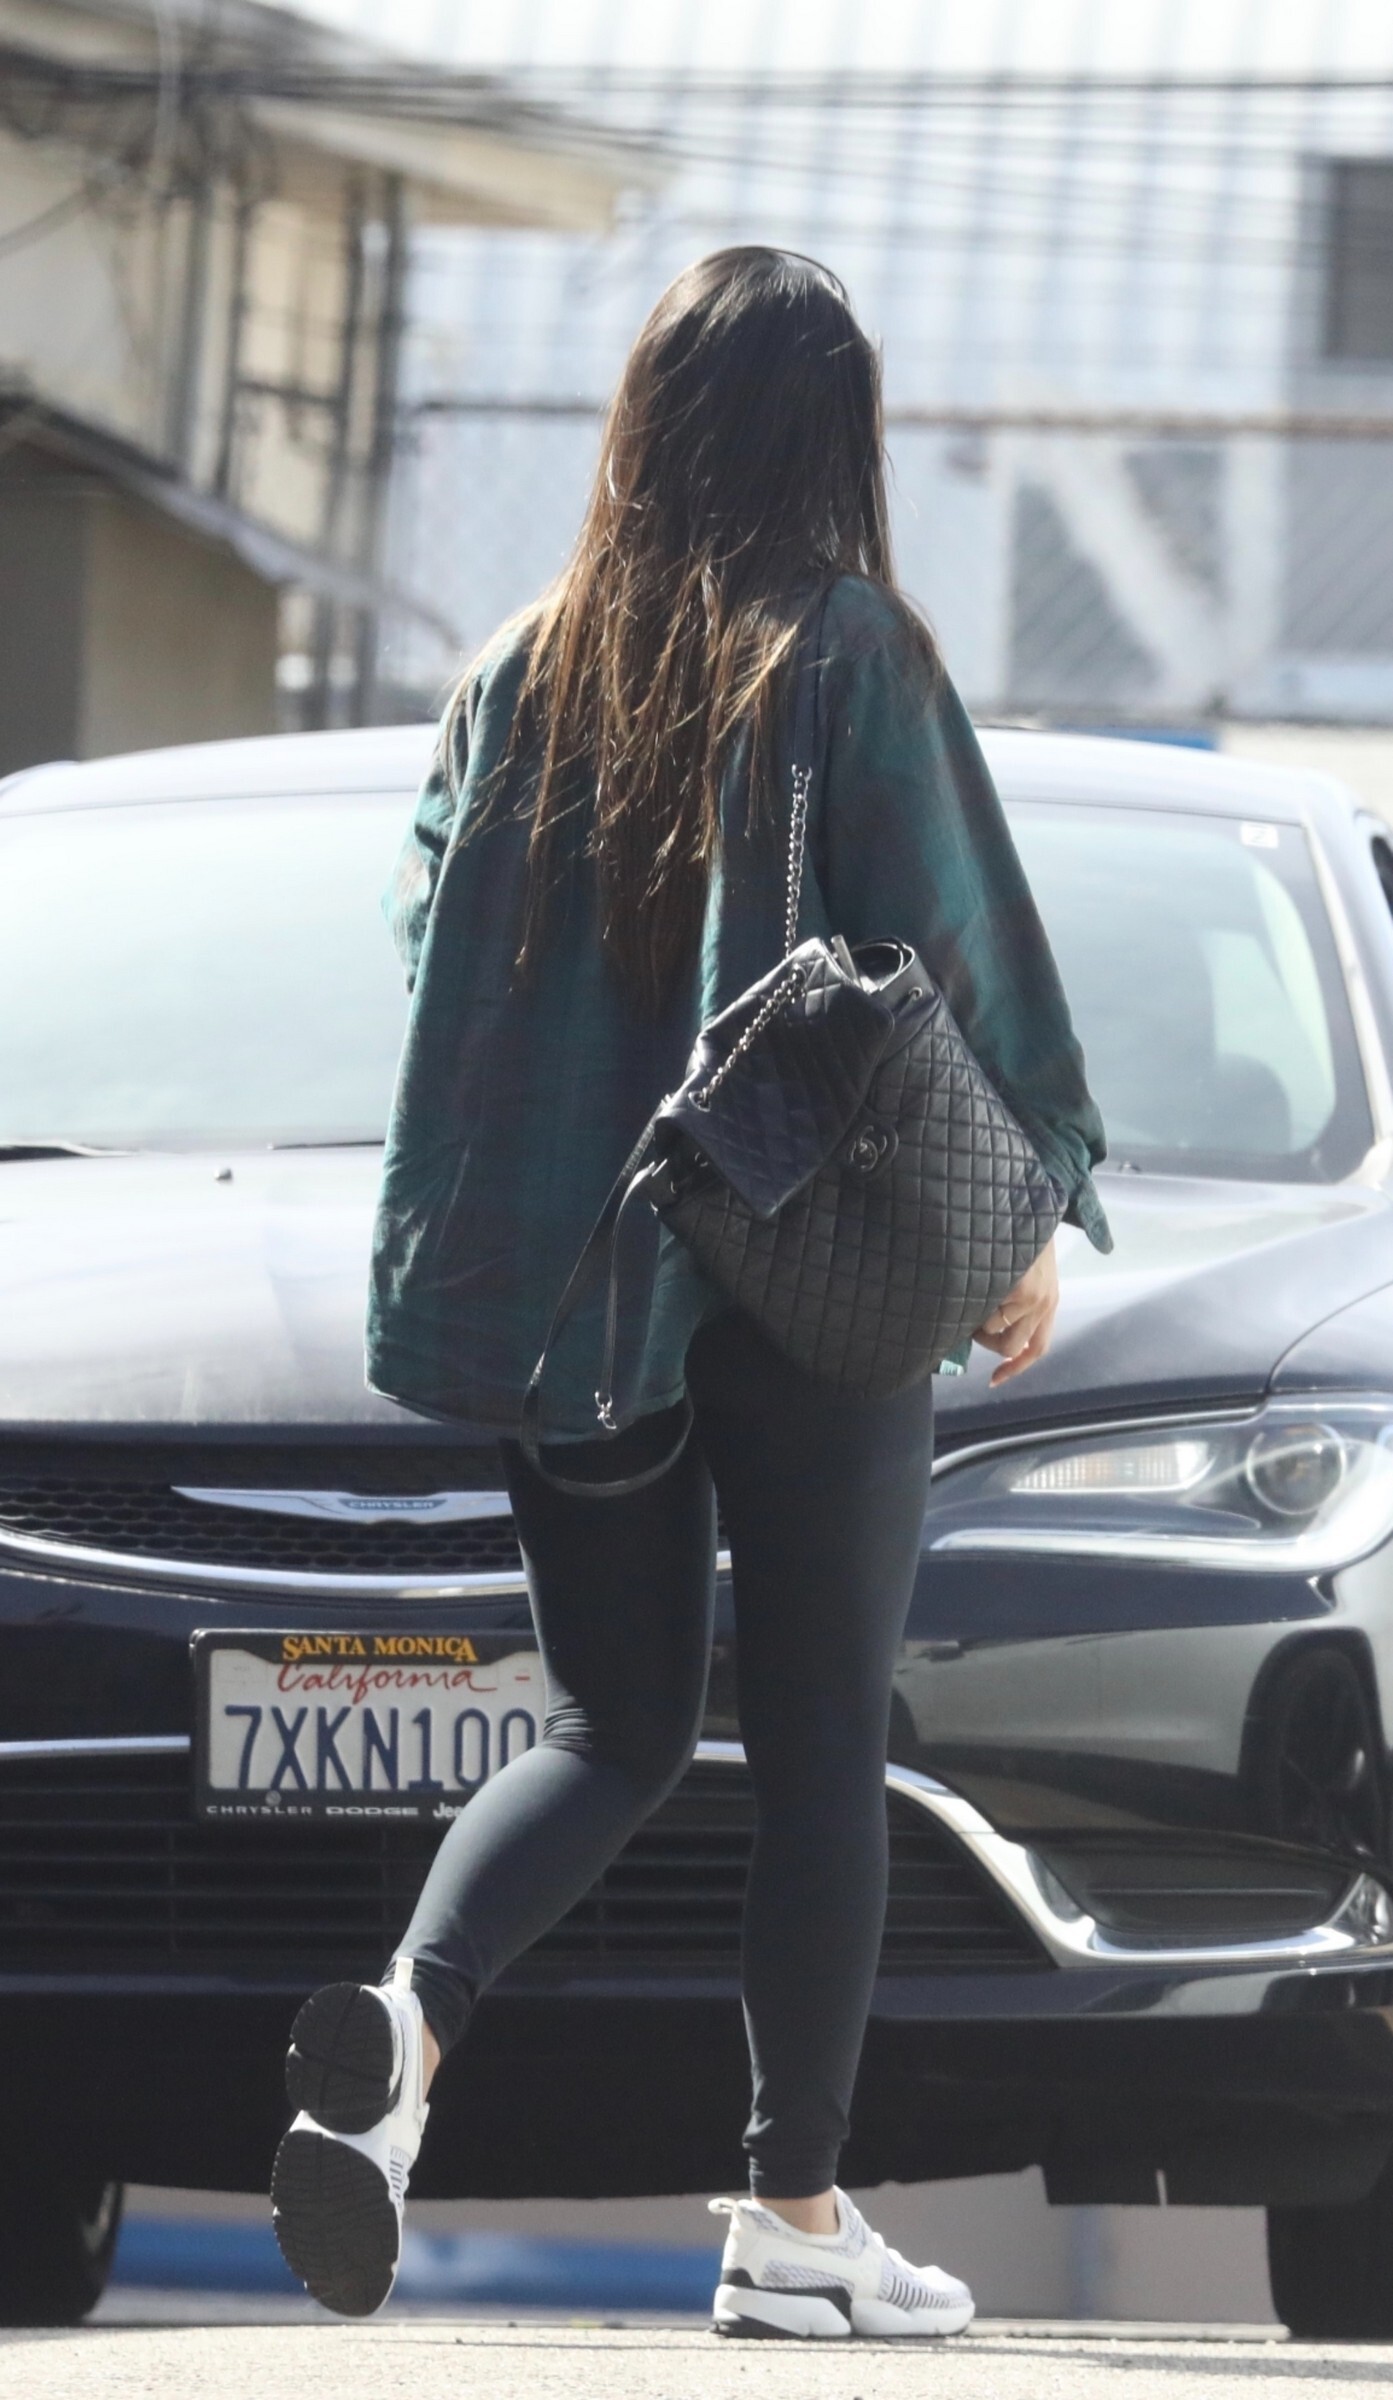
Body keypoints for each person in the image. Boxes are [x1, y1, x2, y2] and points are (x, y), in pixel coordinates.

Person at [270, 246, 1111, 2339]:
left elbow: (427, 945)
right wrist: (1026, 1207)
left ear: (643, 422)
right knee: (820, 1742)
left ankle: (408, 2030)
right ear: (828, 432)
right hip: (813, 1279)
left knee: (609, 1724)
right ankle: (792, 2225)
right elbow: (950, 942)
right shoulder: (849, 657)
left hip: (582, 1297)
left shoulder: (518, 670)